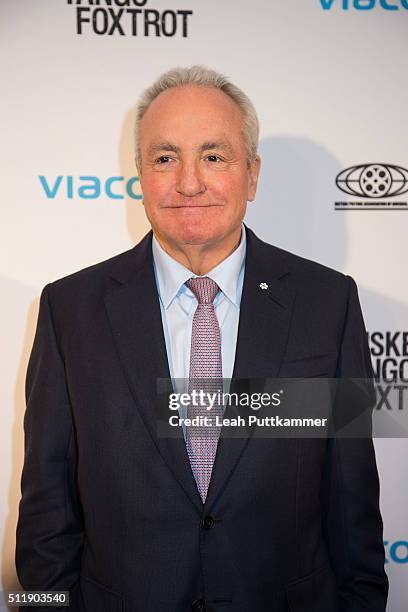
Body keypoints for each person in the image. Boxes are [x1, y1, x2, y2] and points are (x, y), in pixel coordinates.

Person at [15, 65, 388, 612]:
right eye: (165, 158)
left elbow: (352, 500)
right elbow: (46, 512)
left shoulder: (326, 304)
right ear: (140, 174)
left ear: (253, 174)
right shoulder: (71, 310)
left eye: (214, 156)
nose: (189, 182)